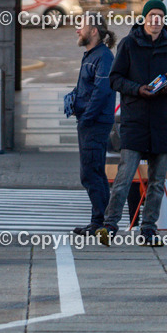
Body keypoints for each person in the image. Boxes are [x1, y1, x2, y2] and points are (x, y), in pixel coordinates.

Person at [98, 0, 167, 247]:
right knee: (124, 177)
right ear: (145, 18)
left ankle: (148, 229)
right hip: (135, 119)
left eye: (160, 16)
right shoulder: (128, 44)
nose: (156, 20)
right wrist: (138, 89)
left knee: (157, 181)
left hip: (163, 120)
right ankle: (110, 225)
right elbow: (115, 79)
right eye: (152, 16)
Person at [69, 13, 117, 236]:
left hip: (95, 123)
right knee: (91, 172)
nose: (77, 30)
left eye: (81, 26)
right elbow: (90, 88)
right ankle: (98, 222)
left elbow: (102, 91)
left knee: (92, 173)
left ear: (94, 30)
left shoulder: (103, 56)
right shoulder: (91, 54)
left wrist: (87, 117)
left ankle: (101, 223)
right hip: (89, 121)